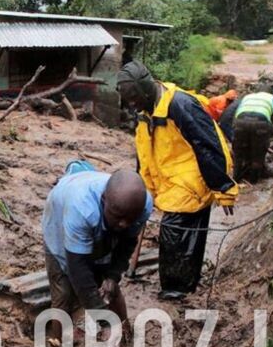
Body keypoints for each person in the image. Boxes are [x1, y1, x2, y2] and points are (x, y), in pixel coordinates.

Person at [118, 61, 238, 300]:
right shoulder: (145, 110)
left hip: (192, 180)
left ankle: (176, 290)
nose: (131, 104)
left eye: (133, 98)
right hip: (170, 180)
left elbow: (210, 145)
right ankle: (185, 284)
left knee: (174, 231)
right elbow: (144, 151)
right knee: (187, 237)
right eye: (127, 99)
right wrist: (145, 188)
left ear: (145, 88)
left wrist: (223, 187)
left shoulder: (180, 105)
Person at [42, 165, 152, 321]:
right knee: (64, 292)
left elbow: (127, 244)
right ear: (103, 201)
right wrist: (103, 320)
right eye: (118, 217)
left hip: (98, 216)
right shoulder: (81, 210)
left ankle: (125, 330)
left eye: (130, 219)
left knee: (109, 288)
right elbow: (78, 268)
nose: (124, 224)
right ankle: (57, 340)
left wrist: (112, 276)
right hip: (60, 216)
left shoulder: (141, 205)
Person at [219, 90, 273, 182]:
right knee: (258, 154)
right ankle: (253, 181)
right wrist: (269, 135)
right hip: (261, 122)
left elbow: (237, 115)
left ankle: (236, 178)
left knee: (238, 153)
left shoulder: (247, 97)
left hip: (240, 121)